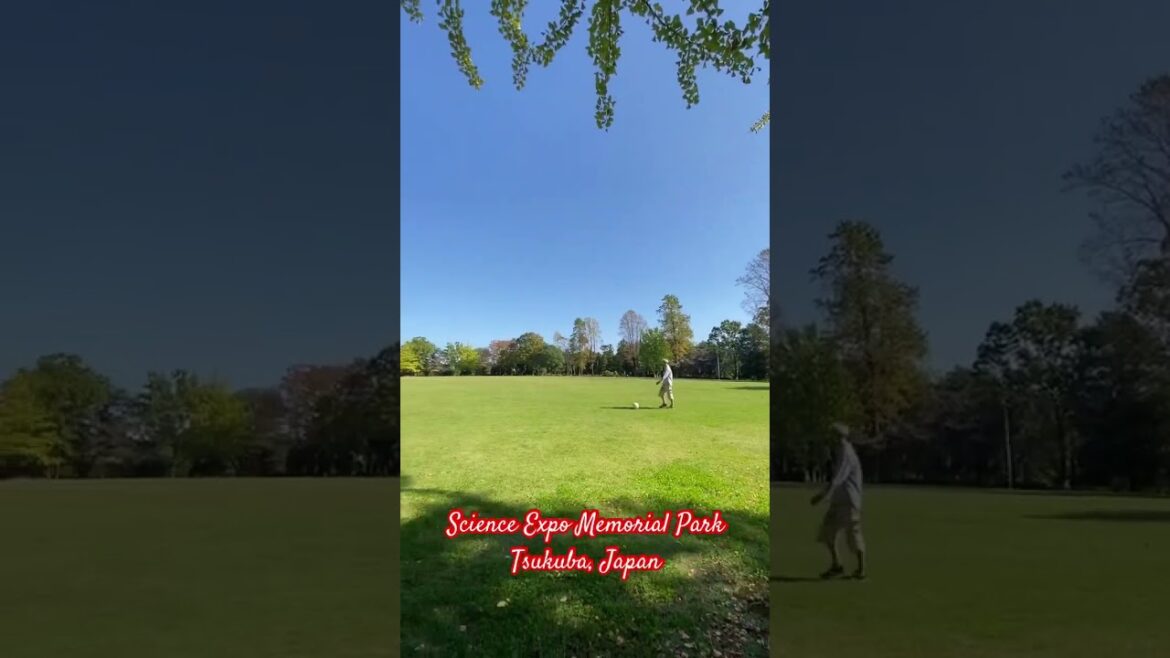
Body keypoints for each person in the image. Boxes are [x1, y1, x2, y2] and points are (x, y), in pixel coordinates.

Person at [810, 422, 866, 580]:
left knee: (853, 534)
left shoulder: (846, 452)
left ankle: (861, 569)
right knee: (827, 533)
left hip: (849, 500)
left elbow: (837, 478)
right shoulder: (841, 450)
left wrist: (822, 496)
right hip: (839, 500)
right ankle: (837, 565)